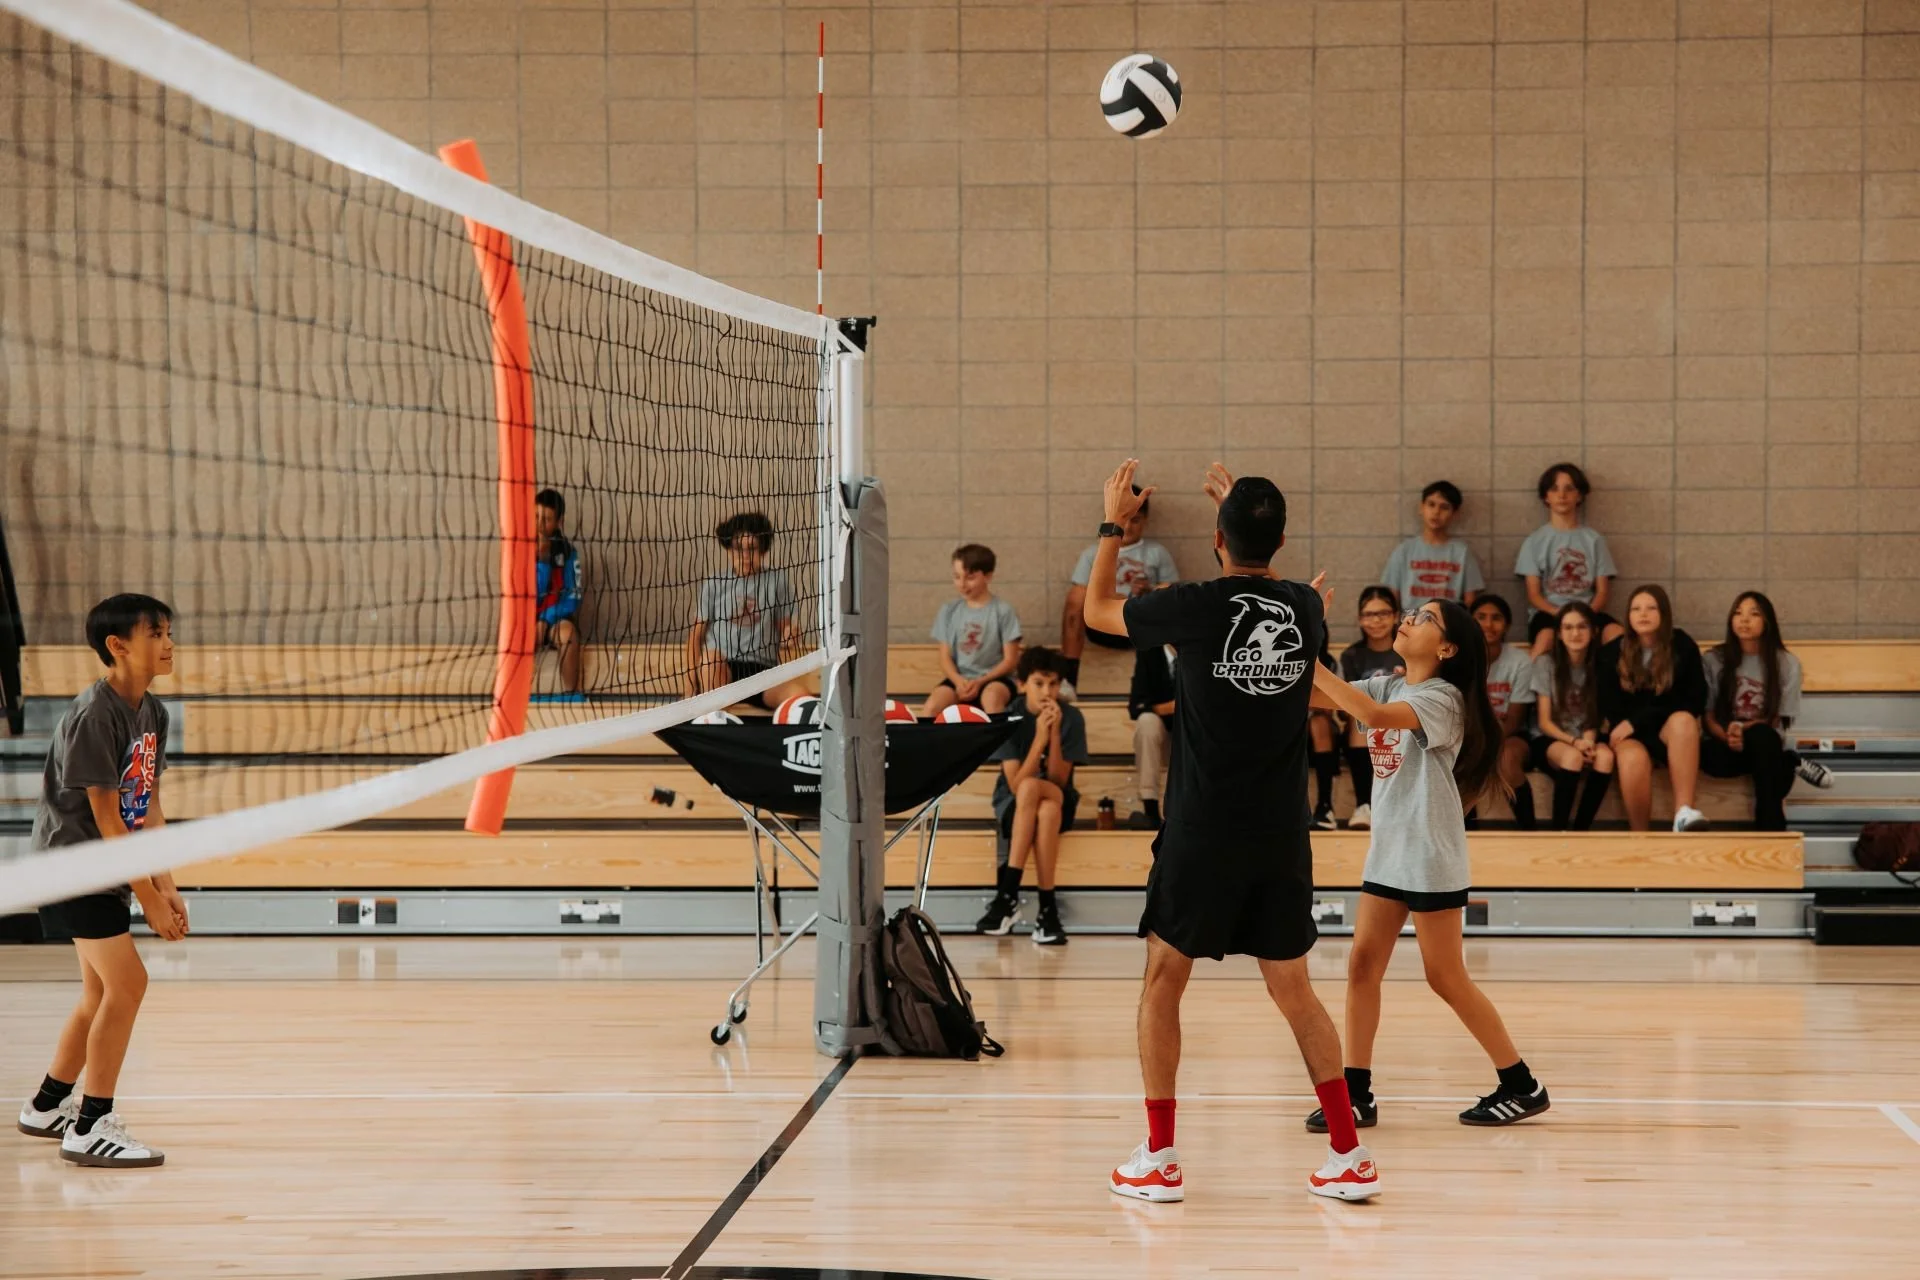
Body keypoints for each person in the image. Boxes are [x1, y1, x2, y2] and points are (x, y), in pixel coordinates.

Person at [1089, 459, 1380, 1205]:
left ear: (1217, 540)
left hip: (1202, 831)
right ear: (1279, 540)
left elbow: (1094, 610)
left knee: (1163, 982)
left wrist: (1112, 527)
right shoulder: (1305, 611)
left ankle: (1158, 1156)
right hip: (1281, 834)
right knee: (1296, 992)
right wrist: (1240, 521)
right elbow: (1269, 580)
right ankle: (1347, 1157)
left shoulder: (1193, 605)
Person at [1307, 599, 1551, 1135]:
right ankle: (1356, 1094)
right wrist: (1301, 623)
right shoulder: (1386, 683)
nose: (1409, 618)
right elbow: (1317, 695)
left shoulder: (1443, 699)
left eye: (1425, 618)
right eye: (1411, 612)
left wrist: (1317, 660)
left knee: (1445, 977)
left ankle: (1521, 1084)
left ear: (1446, 648)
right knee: (1361, 968)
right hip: (1389, 852)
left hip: (1430, 855)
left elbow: (1369, 718)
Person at [16, 594, 188, 1170]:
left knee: (99, 994)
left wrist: (165, 885)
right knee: (129, 985)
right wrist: (147, 899)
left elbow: (150, 805)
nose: (168, 644)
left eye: (168, 632)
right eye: (155, 633)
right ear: (118, 646)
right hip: (73, 869)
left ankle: (45, 1107)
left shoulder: (152, 714)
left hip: (104, 870)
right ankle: (89, 1126)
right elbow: (110, 818)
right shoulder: (95, 714)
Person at [976, 647, 1089, 945]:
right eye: (1039, 683)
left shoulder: (1072, 717)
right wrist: (1038, 736)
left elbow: (1057, 781)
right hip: (1014, 803)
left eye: (1053, 684)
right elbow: (1015, 784)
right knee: (1042, 806)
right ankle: (1048, 912)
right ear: (1023, 683)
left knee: (1045, 798)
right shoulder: (1010, 717)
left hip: (1058, 794)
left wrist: (1052, 734)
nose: (1047, 691)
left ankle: (1007, 895)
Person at [1701, 591, 1835, 830]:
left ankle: (1770, 828)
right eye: (1738, 613)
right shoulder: (1714, 660)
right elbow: (1708, 715)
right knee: (1772, 767)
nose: (1744, 620)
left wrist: (1743, 730)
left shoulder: (1786, 664)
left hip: (1762, 738)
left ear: (1767, 622)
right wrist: (1728, 737)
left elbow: (1776, 720)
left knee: (1763, 742)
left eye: (1754, 614)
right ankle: (1789, 762)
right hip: (1721, 744)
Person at [1599, 585, 1710, 833]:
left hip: (1666, 732)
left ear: (1664, 613)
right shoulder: (1611, 653)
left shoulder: (1682, 644)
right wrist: (1632, 725)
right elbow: (1611, 705)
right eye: (1636, 609)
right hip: (1630, 735)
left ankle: (1683, 813)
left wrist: (1638, 720)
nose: (1643, 614)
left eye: (1651, 608)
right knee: (1631, 757)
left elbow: (1694, 699)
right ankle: (1640, 834)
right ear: (1628, 616)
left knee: (1683, 721)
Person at [1059, 485, 1178, 696]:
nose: (1129, 527)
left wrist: (1149, 592)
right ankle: (1069, 678)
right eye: (1125, 519)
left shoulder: (1156, 553)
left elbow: (1172, 593)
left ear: (1146, 520)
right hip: (1102, 625)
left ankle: (1176, 677)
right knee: (1076, 598)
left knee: (1171, 596)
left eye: (1136, 520)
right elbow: (1079, 600)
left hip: (1142, 626)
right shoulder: (1093, 553)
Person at [687, 512, 810, 709]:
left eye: (752, 548)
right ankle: (716, 720)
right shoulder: (714, 584)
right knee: (710, 659)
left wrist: (790, 637)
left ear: (763, 550)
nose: (745, 556)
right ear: (728, 550)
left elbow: (785, 635)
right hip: (723, 671)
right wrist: (690, 686)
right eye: (738, 549)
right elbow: (695, 637)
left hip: (763, 674)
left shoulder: (777, 582)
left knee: (799, 696)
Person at [1517, 463, 1624, 657]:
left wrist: (1585, 616)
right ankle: (1526, 686)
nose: (1562, 495)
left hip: (1589, 611)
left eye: (1569, 488)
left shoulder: (1594, 540)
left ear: (1580, 495)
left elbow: (1602, 592)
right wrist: (1560, 614)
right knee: (1546, 638)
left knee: (1618, 635)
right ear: (1545, 497)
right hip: (1549, 615)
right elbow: (1534, 595)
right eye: (1554, 488)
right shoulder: (1534, 542)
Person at [1532, 602, 1616, 830]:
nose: (1575, 633)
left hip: (1585, 735)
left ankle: (1581, 830)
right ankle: (1559, 831)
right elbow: (1544, 722)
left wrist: (1588, 741)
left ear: (1594, 632)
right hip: (1551, 738)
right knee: (1573, 757)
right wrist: (1575, 742)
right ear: (1559, 634)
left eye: (1582, 627)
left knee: (1605, 757)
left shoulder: (1601, 665)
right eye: (1568, 628)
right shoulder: (1545, 663)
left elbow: (1594, 716)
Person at [921, 544, 1021, 719]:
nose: (962, 584)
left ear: (988, 576)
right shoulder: (949, 611)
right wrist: (959, 682)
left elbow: (1010, 660)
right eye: (957, 577)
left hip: (994, 680)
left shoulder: (1002, 611)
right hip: (961, 679)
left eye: (970, 578)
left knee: (991, 698)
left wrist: (980, 681)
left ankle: (998, 746)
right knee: (932, 707)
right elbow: (945, 657)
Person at [1336, 586, 1405, 831]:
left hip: (1403, 723)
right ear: (1359, 619)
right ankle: (1365, 806)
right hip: (1365, 723)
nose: (1376, 621)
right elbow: (1345, 704)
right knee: (1362, 726)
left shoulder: (1406, 650)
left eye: (1383, 613)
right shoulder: (1352, 656)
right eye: (1368, 615)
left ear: (1396, 616)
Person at [1473, 594, 1537, 829]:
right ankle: (1466, 838)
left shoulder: (1520, 662)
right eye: (1481, 617)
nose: (1488, 624)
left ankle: (1529, 832)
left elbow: (1514, 720)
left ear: (1507, 625)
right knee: (1456, 757)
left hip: (1511, 736)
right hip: (1472, 735)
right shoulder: (1460, 659)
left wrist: (1484, 742)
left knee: (1507, 759)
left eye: (1496, 618)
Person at [1379, 480, 1484, 607]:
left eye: (1444, 507)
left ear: (1455, 514)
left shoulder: (1462, 552)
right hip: (1411, 622)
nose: (1436, 512)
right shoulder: (1405, 550)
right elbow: (1391, 598)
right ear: (1421, 508)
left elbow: (1470, 601)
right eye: (1431, 504)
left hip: (1447, 623)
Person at [533, 488, 584, 698]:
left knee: (568, 636)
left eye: (546, 519)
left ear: (558, 521)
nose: (539, 524)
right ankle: (517, 695)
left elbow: (574, 597)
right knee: (519, 638)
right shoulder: (519, 551)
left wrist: (546, 618)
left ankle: (571, 695)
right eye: (535, 516)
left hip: (556, 620)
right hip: (529, 619)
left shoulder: (568, 553)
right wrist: (542, 560)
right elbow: (527, 595)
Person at [1127, 639, 1176, 831]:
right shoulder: (1149, 651)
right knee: (1147, 721)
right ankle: (1151, 809)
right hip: (1164, 739)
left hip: (1193, 733)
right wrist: (1175, 706)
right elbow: (1136, 707)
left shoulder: (1201, 648)